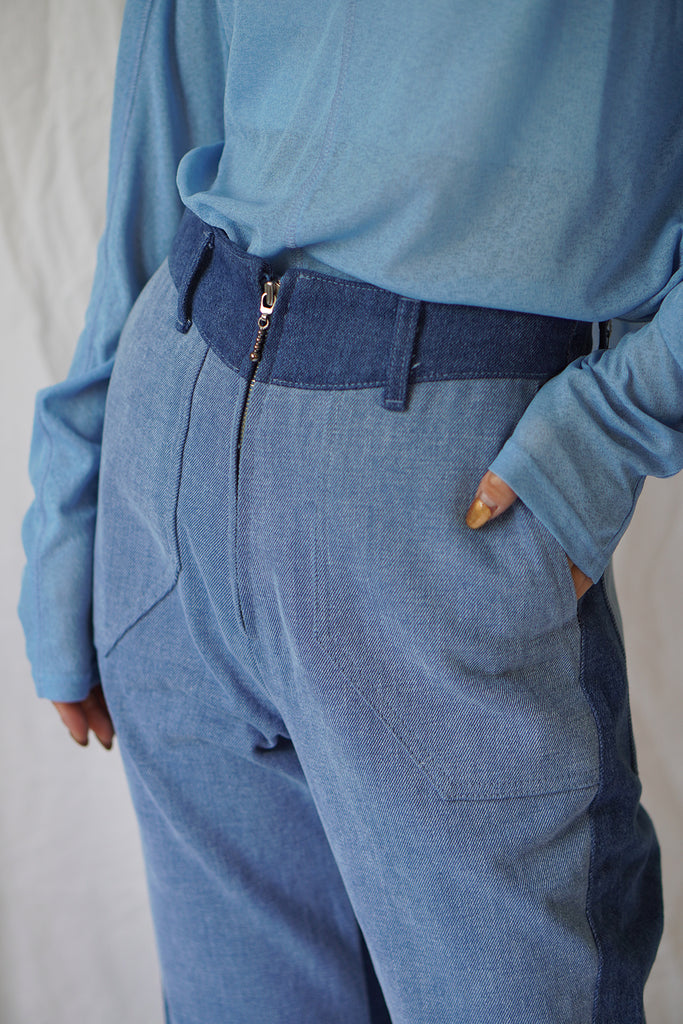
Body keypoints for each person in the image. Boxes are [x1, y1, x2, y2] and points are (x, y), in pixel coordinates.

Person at [18, 1, 682, 1021]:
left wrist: (610, 424)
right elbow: (176, 61)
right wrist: (76, 488)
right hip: (188, 441)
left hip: (400, 480)